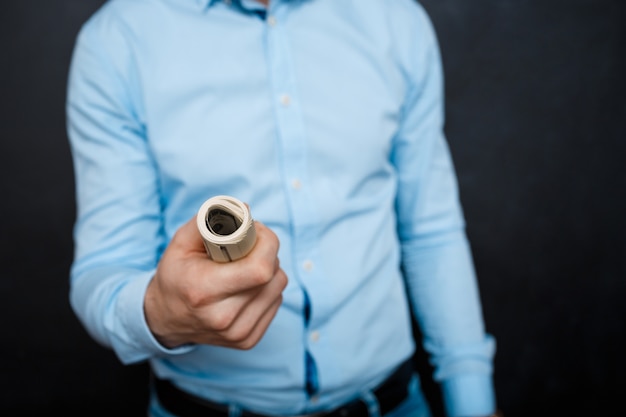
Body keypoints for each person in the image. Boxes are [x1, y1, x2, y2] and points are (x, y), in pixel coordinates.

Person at [66, 0, 499, 416]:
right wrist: (160, 313)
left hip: (395, 403)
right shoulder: (117, 40)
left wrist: (473, 401)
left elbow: (431, 231)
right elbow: (103, 271)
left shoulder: (397, 20)